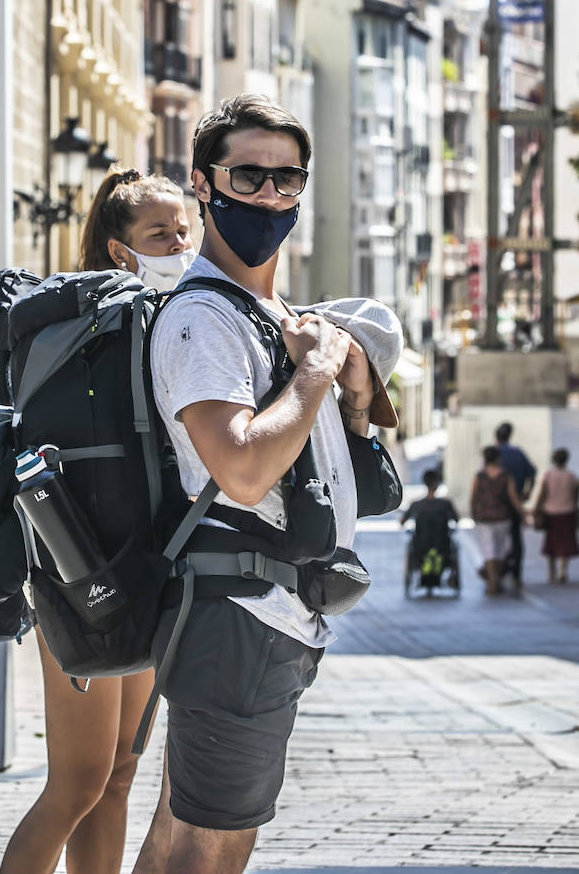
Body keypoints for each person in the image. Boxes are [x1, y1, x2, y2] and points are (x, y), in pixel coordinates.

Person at [131, 93, 401, 874]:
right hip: (238, 617)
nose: (271, 197)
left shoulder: (269, 310)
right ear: (202, 185)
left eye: (288, 181)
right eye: (248, 176)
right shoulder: (204, 319)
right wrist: (316, 367)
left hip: (270, 614)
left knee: (182, 828)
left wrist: (349, 398)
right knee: (213, 847)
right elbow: (243, 469)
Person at [0, 167, 193, 874]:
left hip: (142, 566)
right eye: (159, 234)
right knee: (77, 782)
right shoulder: (88, 328)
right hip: (76, 566)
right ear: (119, 250)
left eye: (182, 229)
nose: (178, 242)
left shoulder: (164, 318)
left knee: (117, 777)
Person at [469, 445, 525, 596]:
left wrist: (473, 513)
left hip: (484, 518)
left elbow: (473, 497)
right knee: (500, 551)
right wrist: (523, 514)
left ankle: (492, 582)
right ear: (498, 458)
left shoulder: (479, 476)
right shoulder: (506, 476)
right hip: (502, 517)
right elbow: (513, 498)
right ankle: (497, 580)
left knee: (488, 551)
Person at [401, 468, 459, 591]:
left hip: (421, 546)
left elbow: (402, 521)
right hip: (442, 545)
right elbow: (456, 519)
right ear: (438, 484)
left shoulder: (416, 504)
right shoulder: (445, 504)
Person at [494, 421, 536, 588]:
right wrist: (527, 492)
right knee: (516, 539)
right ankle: (516, 574)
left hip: (497, 505)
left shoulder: (492, 454)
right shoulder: (518, 453)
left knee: (497, 541)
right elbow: (532, 473)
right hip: (515, 503)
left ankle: (497, 573)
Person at [533, 448, 579, 584]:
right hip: (567, 511)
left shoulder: (548, 475)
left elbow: (542, 493)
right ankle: (563, 570)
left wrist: (537, 508)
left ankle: (551, 571)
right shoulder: (571, 476)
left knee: (551, 542)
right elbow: (576, 495)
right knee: (565, 542)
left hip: (551, 512)